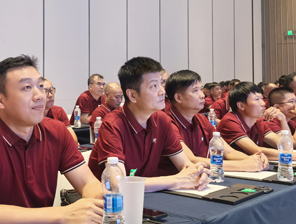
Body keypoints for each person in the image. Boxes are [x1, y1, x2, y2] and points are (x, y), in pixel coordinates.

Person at [0, 55, 103, 224]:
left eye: (41, 86)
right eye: (27, 88)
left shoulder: (57, 131)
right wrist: (64, 214)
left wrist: (99, 203)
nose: (40, 95)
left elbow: (87, 183)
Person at [88, 57, 210, 192]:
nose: (162, 92)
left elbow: (185, 165)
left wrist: (197, 173)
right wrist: (177, 180)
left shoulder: (162, 120)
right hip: (109, 201)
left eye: (161, 84)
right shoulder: (112, 124)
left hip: (147, 196)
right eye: (154, 86)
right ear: (132, 95)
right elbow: (117, 183)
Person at [159, 70, 269, 175]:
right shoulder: (167, 122)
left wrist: (254, 159)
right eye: (195, 91)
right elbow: (190, 160)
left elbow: (229, 152)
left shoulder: (201, 119)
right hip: (177, 184)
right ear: (178, 97)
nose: (202, 95)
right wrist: (242, 165)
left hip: (204, 178)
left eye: (201, 89)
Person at [218, 82, 296, 162]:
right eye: (257, 99)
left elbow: (285, 146)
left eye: (262, 98)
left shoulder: (258, 122)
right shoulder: (230, 121)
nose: (263, 103)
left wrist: (283, 119)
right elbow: (256, 151)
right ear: (241, 105)